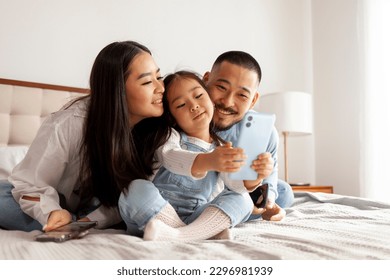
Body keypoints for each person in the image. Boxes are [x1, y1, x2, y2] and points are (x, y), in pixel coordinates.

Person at [0, 40, 166, 232]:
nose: (160, 87)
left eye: (159, 77)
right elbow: (30, 184)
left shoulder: (157, 135)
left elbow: (126, 200)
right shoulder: (67, 124)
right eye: (147, 81)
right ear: (117, 89)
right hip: (47, 200)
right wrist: (52, 212)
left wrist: (86, 222)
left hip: (95, 208)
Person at [119, 71, 272, 241]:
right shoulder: (169, 136)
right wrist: (208, 161)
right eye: (181, 105)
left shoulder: (221, 148)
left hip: (196, 216)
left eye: (199, 96)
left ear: (211, 100)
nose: (194, 106)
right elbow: (170, 157)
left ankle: (180, 235)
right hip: (153, 214)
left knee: (243, 199)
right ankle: (199, 233)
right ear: (173, 118)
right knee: (134, 189)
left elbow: (235, 185)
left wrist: (255, 178)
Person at [203, 50, 295, 219]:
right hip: (199, 190)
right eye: (221, 87)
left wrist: (269, 202)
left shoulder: (264, 132)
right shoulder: (190, 116)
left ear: (253, 100)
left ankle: (240, 210)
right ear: (206, 80)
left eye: (242, 95)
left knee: (284, 192)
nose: (228, 101)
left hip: (242, 190)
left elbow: (270, 175)